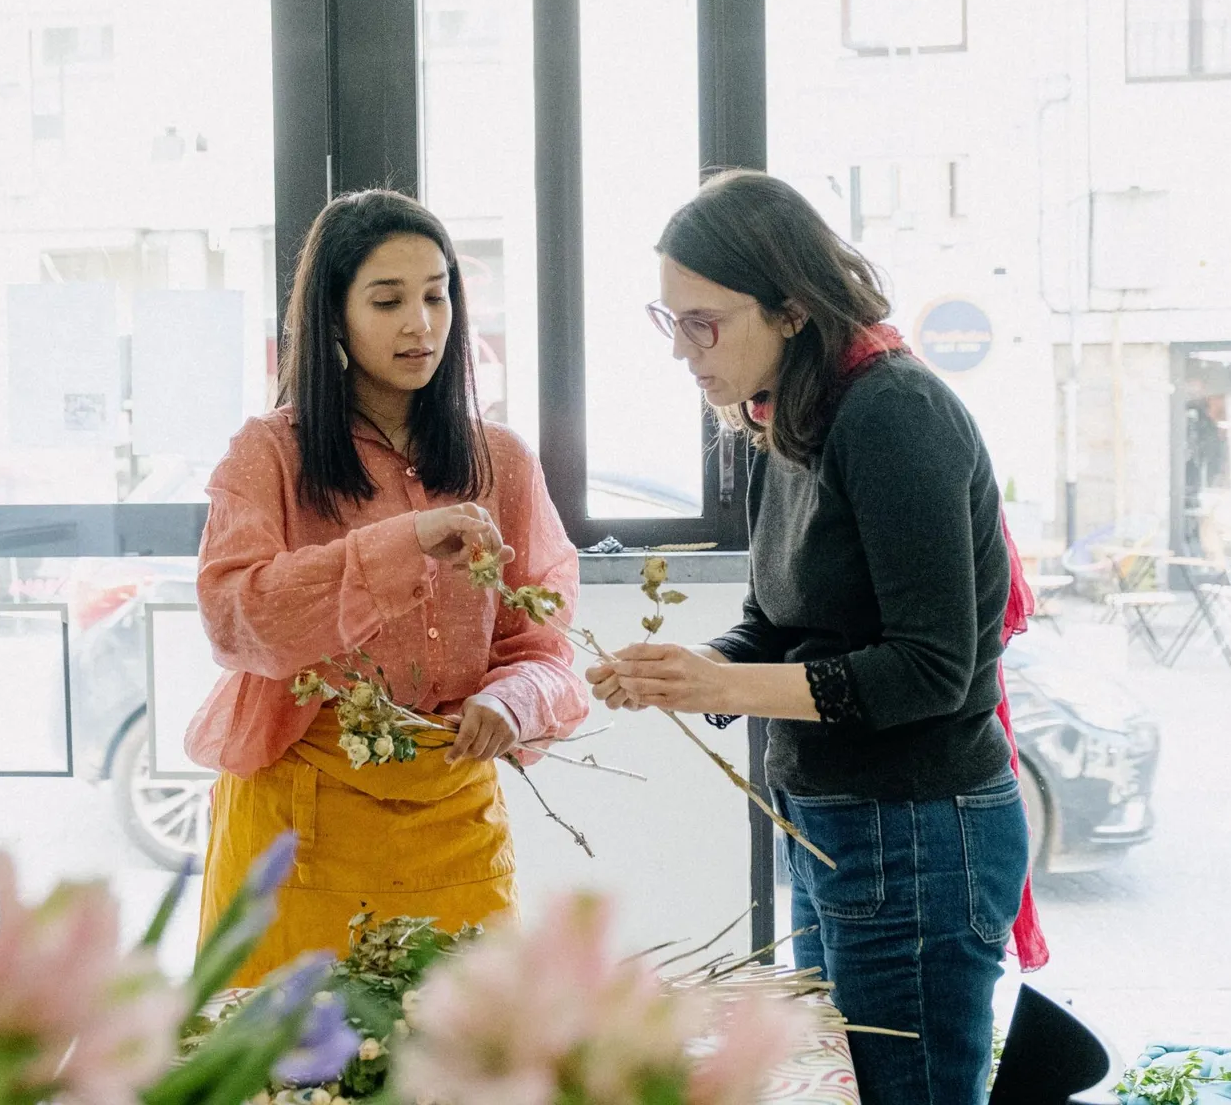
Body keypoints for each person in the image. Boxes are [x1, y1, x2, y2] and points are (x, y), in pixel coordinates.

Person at [587, 169, 1035, 1104]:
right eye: (667, 319)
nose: (680, 349)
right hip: (837, 819)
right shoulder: (784, 418)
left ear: (790, 310)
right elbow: (777, 625)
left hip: (917, 826)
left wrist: (720, 689)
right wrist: (697, 667)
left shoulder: (893, 413)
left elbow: (929, 670)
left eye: (701, 322)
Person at [187, 188, 587, 986]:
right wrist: (403, 544)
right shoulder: (268, 455)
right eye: (389, 300)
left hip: (452, 820)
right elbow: (237, 620)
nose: (421, 324)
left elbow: (545, 647)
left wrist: (512, 703)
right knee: (291, 1072)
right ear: (334, 316)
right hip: (296, 824)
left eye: (438, 295)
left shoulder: (499, 460)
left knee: (467, 1066)